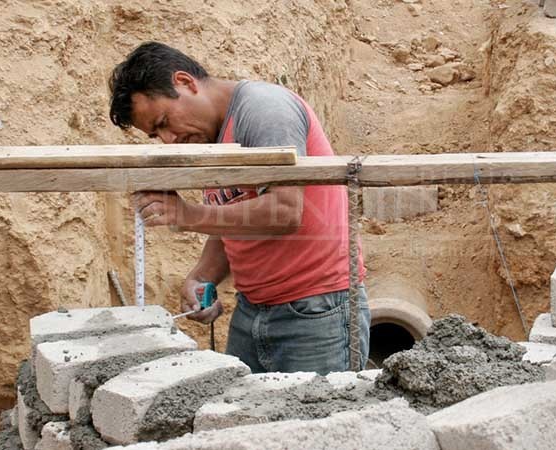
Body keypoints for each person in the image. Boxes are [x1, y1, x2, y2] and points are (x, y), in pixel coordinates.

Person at [108, 41, 369, 374]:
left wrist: (188, 216)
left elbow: (285, 211)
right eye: (155, 134)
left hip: (317, 311)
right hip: (253, 310)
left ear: (186, 83)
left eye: (163, 121)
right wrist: (203, 275)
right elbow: (234, 213)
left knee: (317, 423)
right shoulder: (206, 136)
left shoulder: (265, 111)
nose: (168, 139)